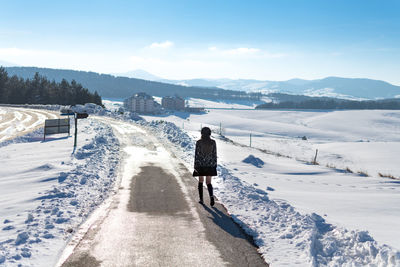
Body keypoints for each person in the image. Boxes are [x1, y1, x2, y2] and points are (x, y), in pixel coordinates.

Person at [193, 127, 217, 206]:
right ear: (210, 133)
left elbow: (197, 155)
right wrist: (214, 165)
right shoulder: (213, 142)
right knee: (208, 182)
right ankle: (211, 197)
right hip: (210, 165)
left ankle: (201, 199)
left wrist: (195, 166)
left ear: (202, 133)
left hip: (201, 164)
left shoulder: (199, 142)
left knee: (201, 181)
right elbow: (214, 155)